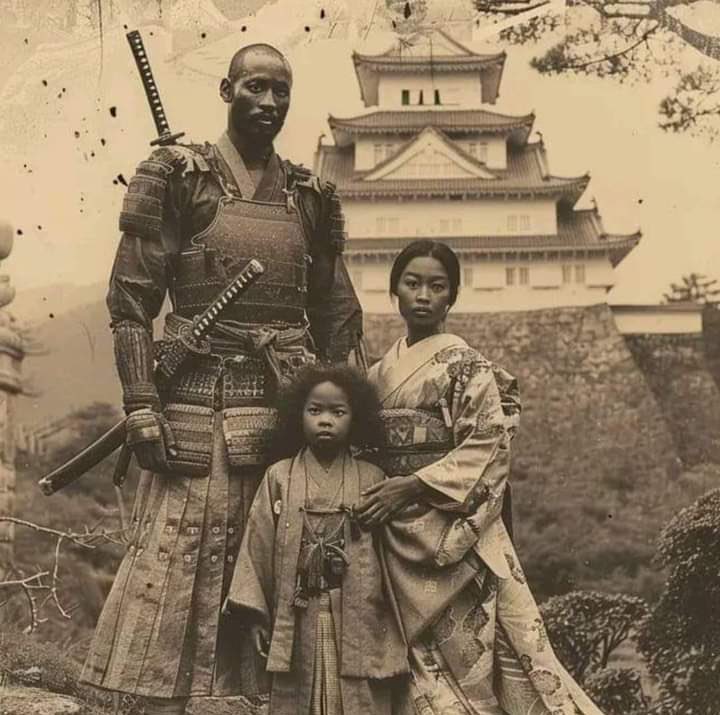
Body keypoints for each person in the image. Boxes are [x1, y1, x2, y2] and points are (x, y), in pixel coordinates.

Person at [80, 43, 365, 715]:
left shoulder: (310, 195)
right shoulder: (179, 177)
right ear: (227, 89)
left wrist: (346, 399)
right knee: (180, 554)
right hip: (192, 407)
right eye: (255, 88)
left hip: (284, 415)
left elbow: (335, 310)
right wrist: (141, 399)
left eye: (281, 93)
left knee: (275, 561)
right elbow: (131, 301)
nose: (269, 103)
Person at [356, 240, 605, 715]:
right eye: (412, 284)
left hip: (451, 526)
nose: (423, 295)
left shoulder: (466, 366)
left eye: (437, 285)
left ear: (452, 297)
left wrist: (411, 485)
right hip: (396, 534)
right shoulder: (377, 374)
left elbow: (487, 444)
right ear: (394, 292)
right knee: (415, 662)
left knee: (481, 654)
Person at [225, 364, 409, 714]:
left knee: (359, 699)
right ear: (298, 414)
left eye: (338, 412)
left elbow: (392, 554)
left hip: (360, 614)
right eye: (315, 410)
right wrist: (256, 617)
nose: (326, 420)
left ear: (356, 418)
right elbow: (258, 546)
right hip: (298, 611)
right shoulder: (279, 477)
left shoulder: (373, 479)